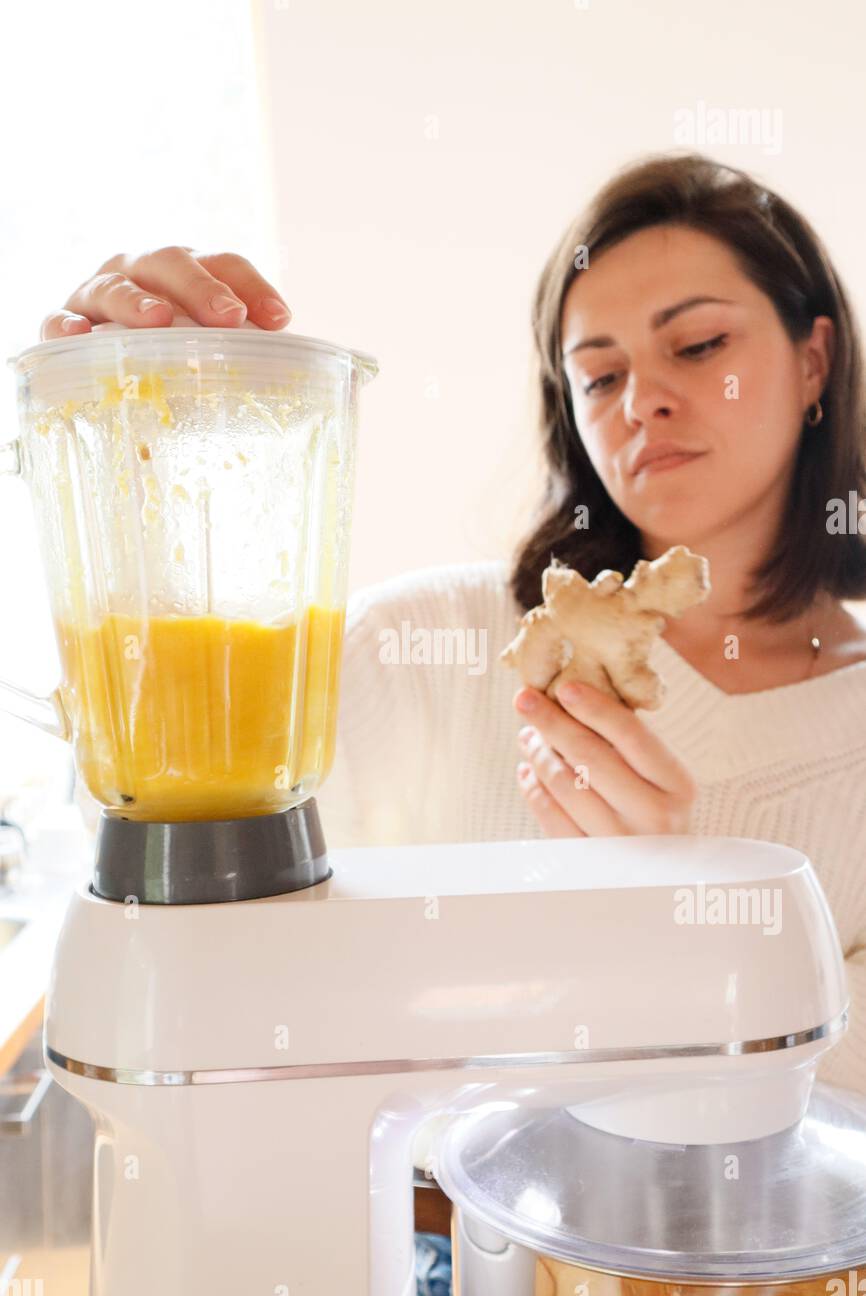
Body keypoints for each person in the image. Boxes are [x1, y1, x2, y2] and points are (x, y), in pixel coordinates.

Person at [44, 153, 866, 1103]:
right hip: (417, 1240)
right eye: (599, 377)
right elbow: (145, 824)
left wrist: (677, 930)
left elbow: (835, 1124)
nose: (643, 401)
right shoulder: (430, 644)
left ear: (814, 358)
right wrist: (111, 420)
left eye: (698, 348)